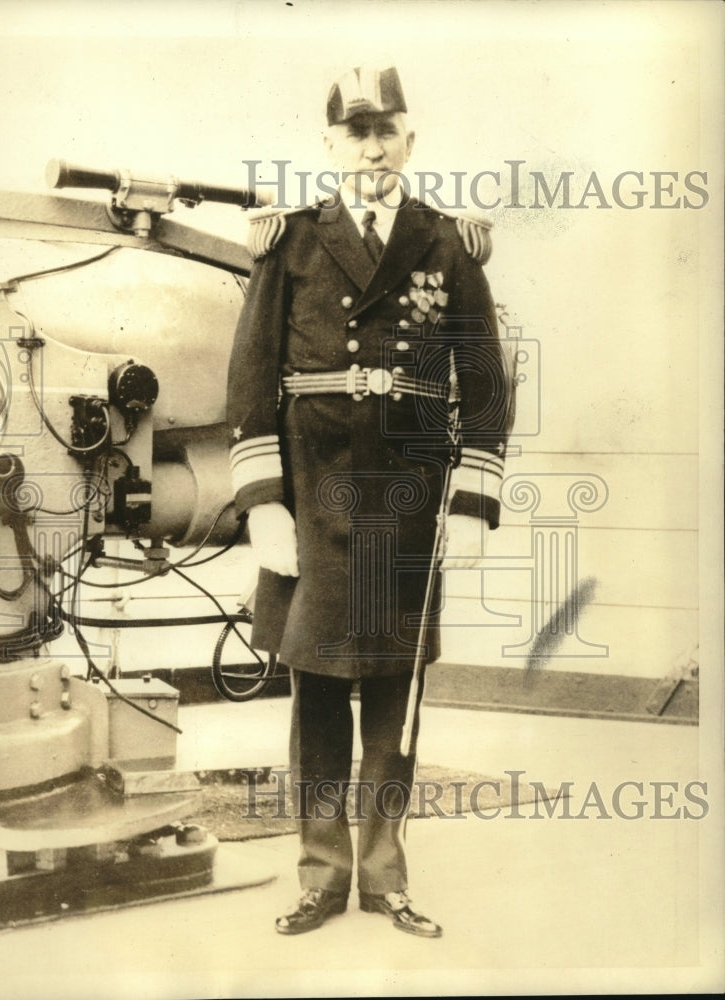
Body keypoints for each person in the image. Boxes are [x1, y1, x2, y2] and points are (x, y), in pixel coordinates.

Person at [227, 65, 512, 938]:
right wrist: (263, 502)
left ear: (409, 142)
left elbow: (485, 384)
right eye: (356, 133)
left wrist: (470, 503)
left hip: (407, 495)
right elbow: (249, 377)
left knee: (394, 693)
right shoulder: (290, 241)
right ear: (330, 146)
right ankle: (321, 875)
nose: (372, 145)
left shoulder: (448, 243)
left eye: (386, 129)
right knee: (315, 687)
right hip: (312, 492)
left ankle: (385, 877)